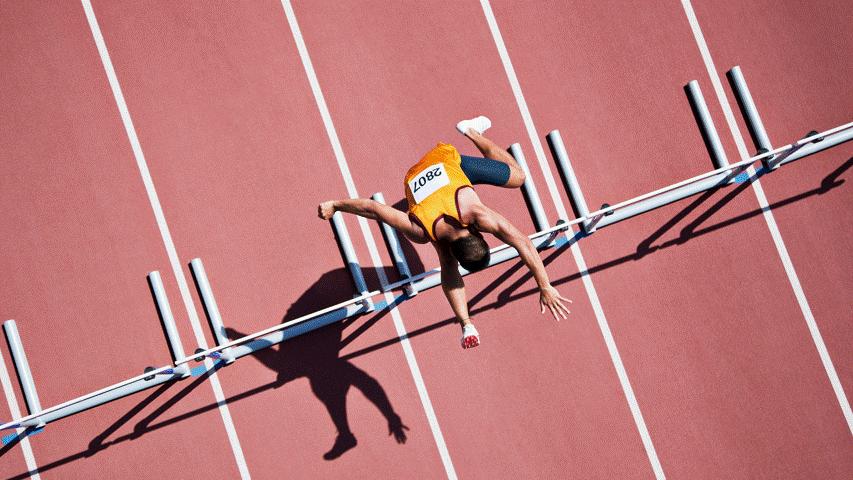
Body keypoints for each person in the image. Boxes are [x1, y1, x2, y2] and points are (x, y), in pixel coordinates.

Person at [318, 116, 571, 349]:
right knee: (518, 177)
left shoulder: (475, 215)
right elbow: (373, 209)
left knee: (517, 179)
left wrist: (546, 285)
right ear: (479, 230)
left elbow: (523, 241)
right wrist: (335, 206)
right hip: (433, 166)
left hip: (440, 170)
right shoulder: (432, 227)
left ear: (478, 234)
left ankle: (467, 323)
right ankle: (471, 132)